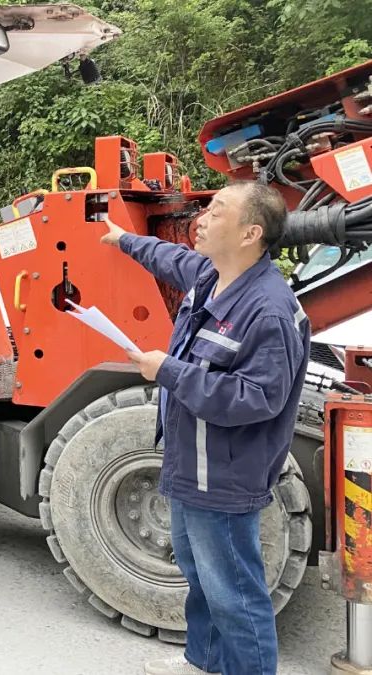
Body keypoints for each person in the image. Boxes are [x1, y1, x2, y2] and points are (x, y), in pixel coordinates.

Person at [100, 182, 309, 675]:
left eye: (216, 212)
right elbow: (168, 258)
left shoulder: (268, 309)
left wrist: (167, 371)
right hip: (189, 463)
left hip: (226, 475)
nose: (203, 218)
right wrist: (121, 239)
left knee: (234, 592)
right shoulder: (214, 275)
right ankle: (204, 662)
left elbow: (257, 399)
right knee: (201, 577)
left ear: (250, 233)